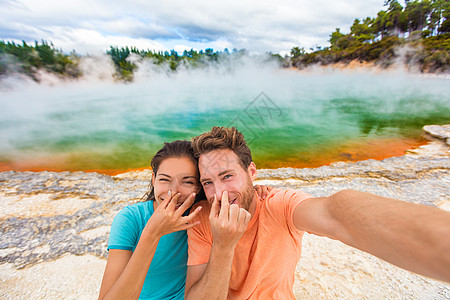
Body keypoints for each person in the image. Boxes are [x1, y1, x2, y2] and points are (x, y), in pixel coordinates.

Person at [185, 126, 450, 299]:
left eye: (227, 176)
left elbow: (337, 215)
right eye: (208, 182)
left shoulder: (279, 205)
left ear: (251, 172)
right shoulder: (203, 220)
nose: (218, 193)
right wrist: (223, 245)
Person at [98, 140, 271, 300]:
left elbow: (237, 196)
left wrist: (250, 187)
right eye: (165, 180)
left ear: (199, 185)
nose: (174, 191)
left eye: (187, 182)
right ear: (153, 179)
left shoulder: (205, 214)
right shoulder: (130, 219)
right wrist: (151, 233)